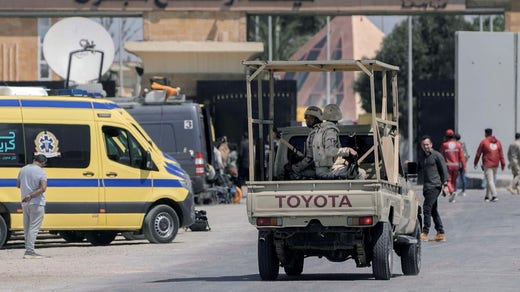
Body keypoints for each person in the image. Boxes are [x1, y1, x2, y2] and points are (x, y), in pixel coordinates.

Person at [313, 103, 364, 179]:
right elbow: (330, 151)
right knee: (361, 173)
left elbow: (327, 156)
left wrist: (342, 161)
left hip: (321, 169)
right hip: (327, 171)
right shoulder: (330, 130)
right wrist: (348, 150)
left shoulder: (319, 130)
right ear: (338, 116)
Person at [17, 154, 48, 259]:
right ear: (43, 163)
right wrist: (31, 195)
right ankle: (30, 251)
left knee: (27, 227)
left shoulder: (23, 169)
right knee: (34, 227)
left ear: (34, 160)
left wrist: (26, 192)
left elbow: (18, 185)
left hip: (25, 203)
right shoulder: (41, 172)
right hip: (36, 202)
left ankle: (28, 249)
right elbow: (43, 188)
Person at [420, 135, 448, 242]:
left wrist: (445, 185)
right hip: (427, 187)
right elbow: (418, 168)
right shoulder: (422, 157)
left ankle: (425, 232)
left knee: (426, 208)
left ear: (431, 145)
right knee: (433, 211)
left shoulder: (437, 155)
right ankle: (440, 233)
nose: (426, 146)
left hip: (435, 186)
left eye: (427, 144)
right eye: (423, 145)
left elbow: (444, 170)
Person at [286, 106, 322, 179]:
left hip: (318, 169)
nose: (306, 120)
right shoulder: (321, 131)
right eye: (306, 117)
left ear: (315, 119)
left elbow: (310, 158)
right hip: (322, 168)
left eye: (309, 118)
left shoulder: (315, 134)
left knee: (291, 173)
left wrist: (295, 168)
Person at [474, 128, 506, 202]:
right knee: (489, 179)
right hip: (496, 164)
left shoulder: (484, 142)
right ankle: (487, 196)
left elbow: (478, 154)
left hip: (487, 164)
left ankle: (494, 195)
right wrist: (503, 164)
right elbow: (501, 154)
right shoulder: (498, 142)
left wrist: (475, 163)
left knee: (490, 180)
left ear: (485, 134)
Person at [439, 129, 466, 203]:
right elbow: (462, 156)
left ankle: (452, 192)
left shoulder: (444, 145)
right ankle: (452, 196)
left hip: (447, 166)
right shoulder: (458, 144)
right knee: (453, 181)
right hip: (456, 166)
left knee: (448, 181)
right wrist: (464, 166)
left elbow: (440, 156)